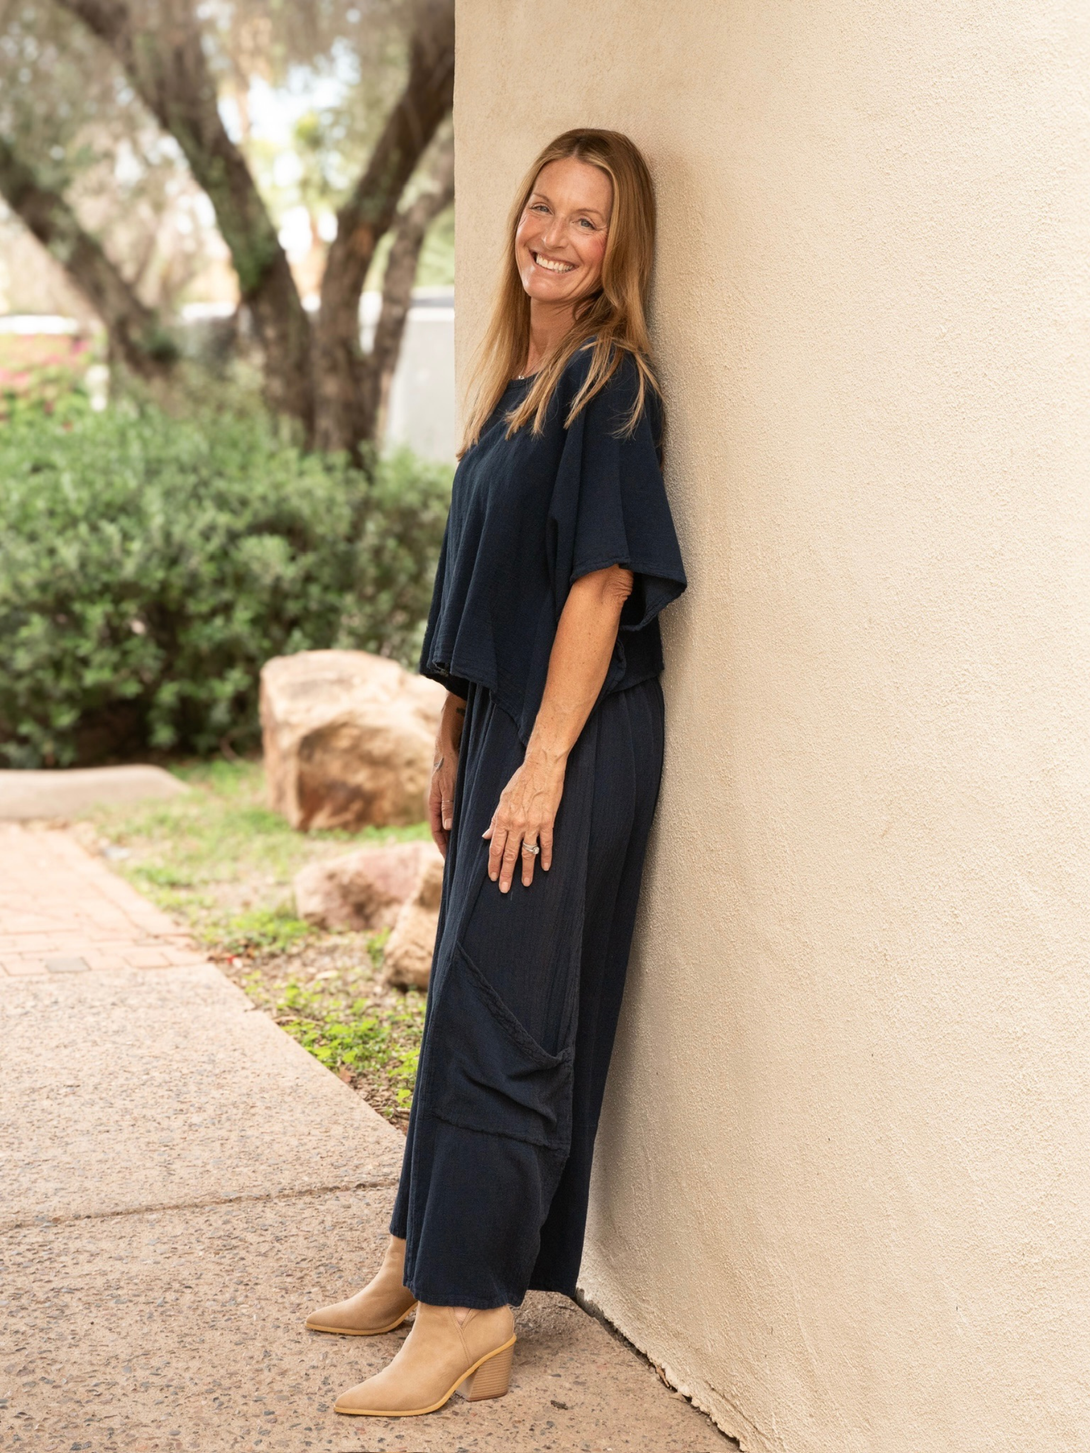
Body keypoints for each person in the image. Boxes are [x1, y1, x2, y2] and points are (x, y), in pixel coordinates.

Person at [306, 126, 687, 1419]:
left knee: (512, 1016)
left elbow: (600, 582)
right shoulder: (515, 386)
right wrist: (462, 743)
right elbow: (489, 595)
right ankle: (421, 1263)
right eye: (543, 208)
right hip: (510, 729)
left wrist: (537, 767)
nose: (555, 236)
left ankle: (474, 1316)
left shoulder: (609, 385)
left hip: (571, 742)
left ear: (616, 248)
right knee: (464, 1000)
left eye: (588, 221)